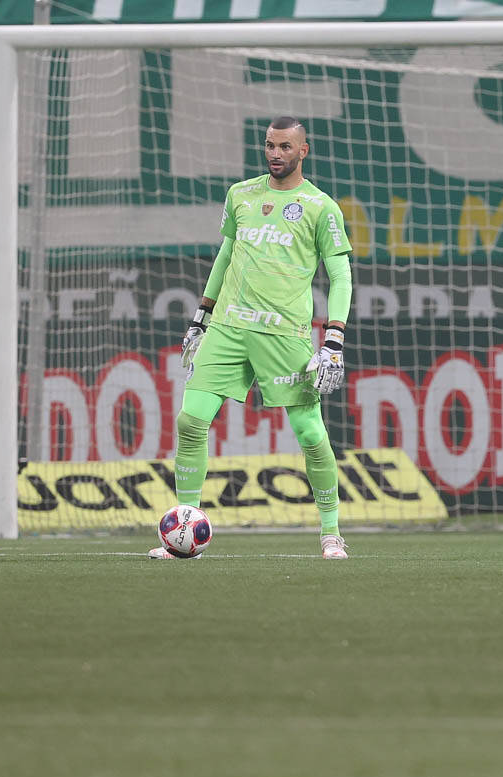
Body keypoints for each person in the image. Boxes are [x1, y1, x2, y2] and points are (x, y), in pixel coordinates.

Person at [150, 116, 353, 560]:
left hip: (284, 334)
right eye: (269, 145)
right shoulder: (241, 194)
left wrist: (333, 338)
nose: (275, 153)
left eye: (284, 146)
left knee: (310, 433)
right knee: (190, 421)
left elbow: (339, 275)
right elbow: (226, 255)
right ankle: (185, 526)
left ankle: (331, 533)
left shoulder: (320, 207)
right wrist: (202, 315)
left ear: (303, 151)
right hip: (228, 327)